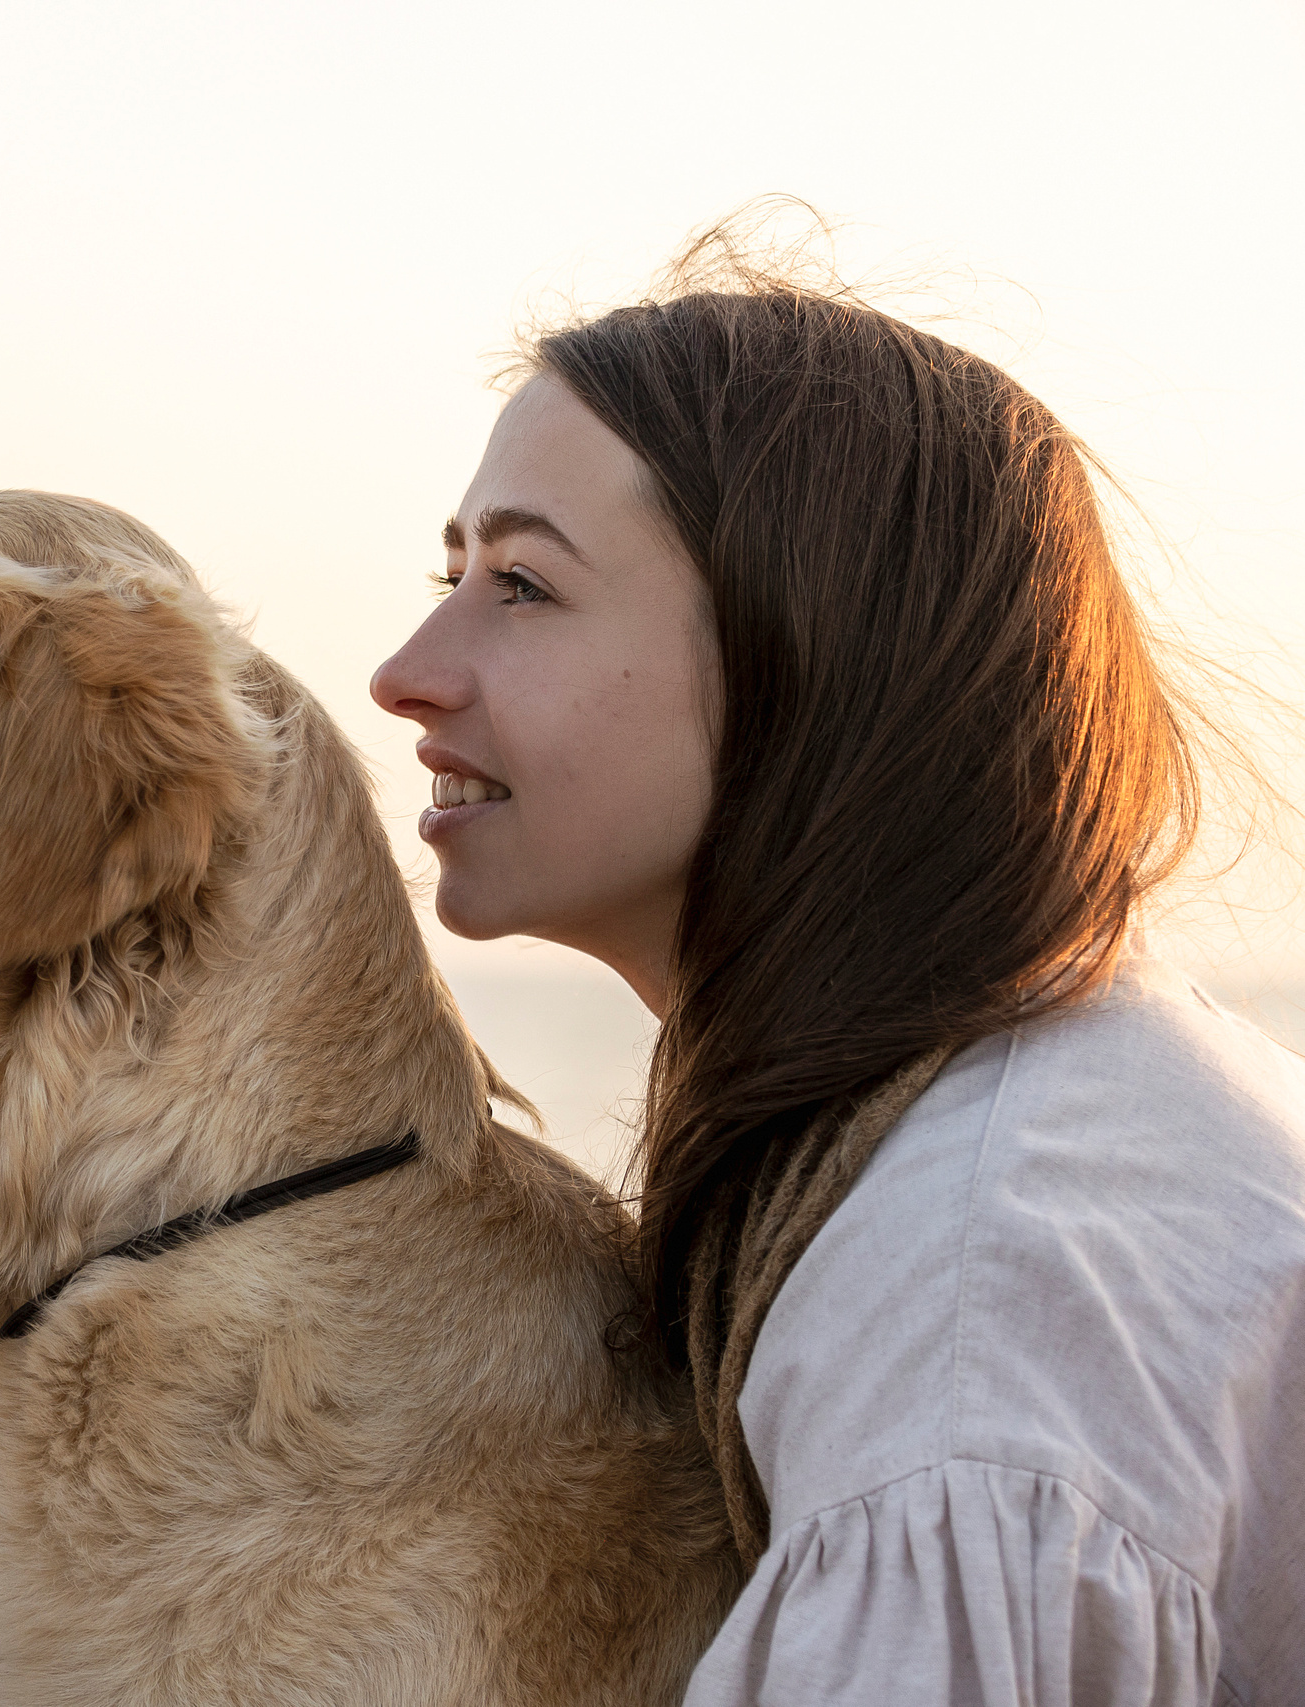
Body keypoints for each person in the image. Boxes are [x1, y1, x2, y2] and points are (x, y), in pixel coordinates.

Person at [369, 246, 1305, 1705]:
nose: (408, 670)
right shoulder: (1086, 1112)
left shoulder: (975, 1315)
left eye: (524, 586)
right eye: (452, 576)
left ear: (806, 650)